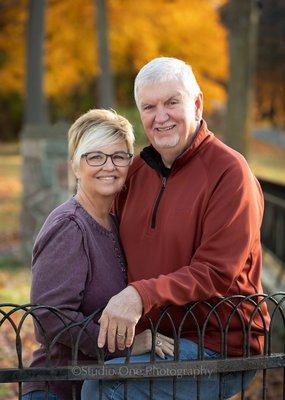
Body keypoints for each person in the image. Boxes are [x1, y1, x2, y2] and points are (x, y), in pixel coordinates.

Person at [82, 57, 270, 399]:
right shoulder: (136, 171)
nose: (161, 116)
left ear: (196, 104)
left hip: (218, 348)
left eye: (172, 102)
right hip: (153, 341)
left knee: (103, 386)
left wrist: (140, 294)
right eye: (149, 107)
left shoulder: (230, 173)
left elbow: (215, 272)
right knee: (77, 373)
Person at [22, 109, 174, 400]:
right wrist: (126, 346)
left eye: (119, 156)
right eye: (95, 156)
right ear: (76, 167)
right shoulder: (69, 226)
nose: (109, 166)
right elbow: (49, 319)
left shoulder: (115, 224)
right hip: (58, 390)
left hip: (100, 387)